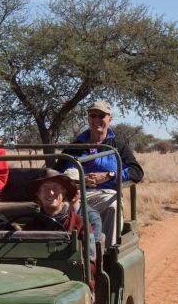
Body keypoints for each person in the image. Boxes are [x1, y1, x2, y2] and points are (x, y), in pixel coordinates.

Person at [54, 100, 144, 246]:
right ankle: (66, 252)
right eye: (92, 115)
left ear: (109, 119)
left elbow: (137, 172)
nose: (96, 120)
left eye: (101, 116)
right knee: (53, 205)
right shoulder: (75, 146)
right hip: (77, 195)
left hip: (105, 194)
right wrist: (78, 181)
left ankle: (105, 255)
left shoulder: (118, 146)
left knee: (113, 205)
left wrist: (108, 176)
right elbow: (57, 173)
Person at [25, 169, 96, 290]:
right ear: (38, 194)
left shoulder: (81, 224)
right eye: (45, 188)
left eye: (56, 188)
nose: (51, 192)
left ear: (63, 193)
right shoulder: (30, 227)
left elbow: (90, 263)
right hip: (35, 286)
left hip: (72, 285)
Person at [62, 168, 103, 244]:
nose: (72, 190)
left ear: (83, 189)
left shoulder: (91, 217)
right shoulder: (56, 214)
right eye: (68, 187)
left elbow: (92, 249)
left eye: (77, 186)